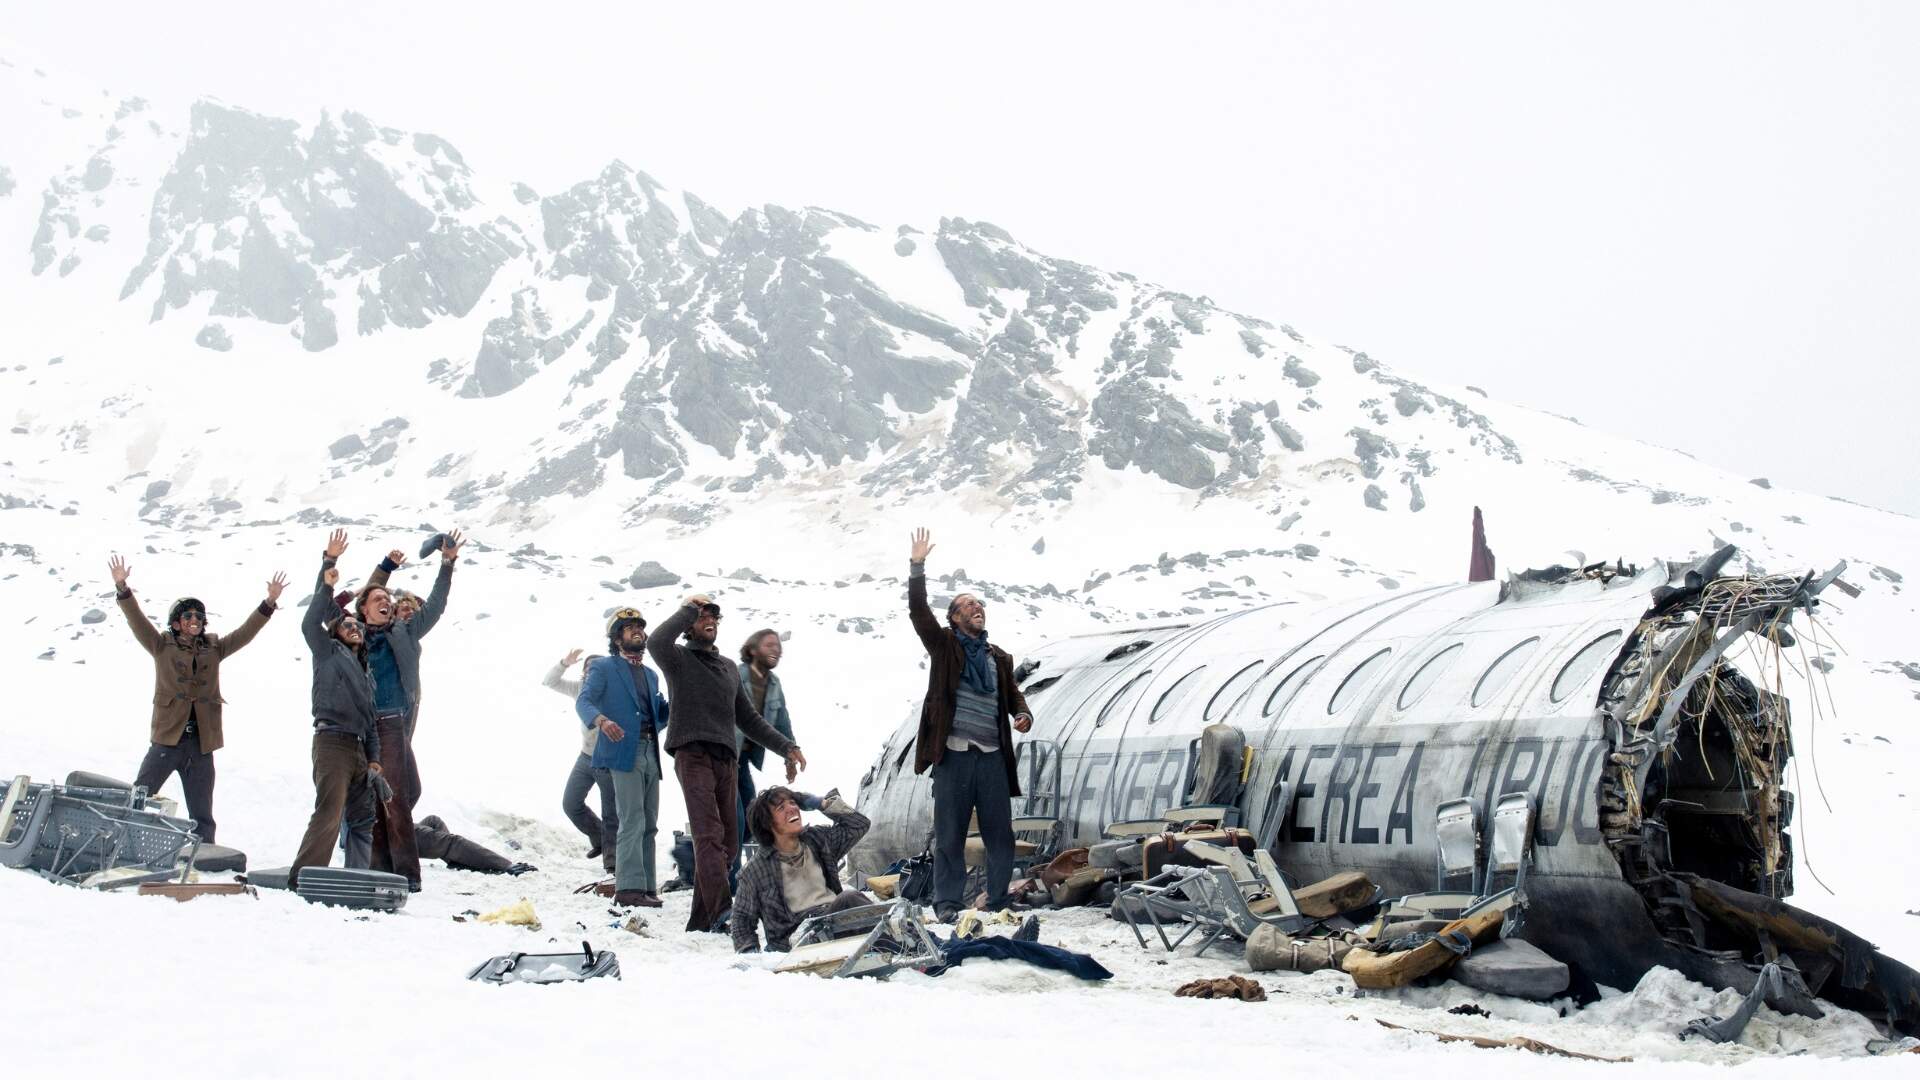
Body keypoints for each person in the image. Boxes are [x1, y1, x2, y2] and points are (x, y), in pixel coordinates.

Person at [649, 594, 807, 932]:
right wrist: (689, 608)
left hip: (726, 759)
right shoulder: (677, 658)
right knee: (709, 836)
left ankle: (702, 920)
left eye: (714, 616)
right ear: (689, 625)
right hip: (692, 754)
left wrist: (786, 747)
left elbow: (748, 718)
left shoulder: (726, 669)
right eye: (702, 616)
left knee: (730, 843)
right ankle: (723, 912)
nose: (709, 620)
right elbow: (656, 640)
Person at [107, 554, 286, 843]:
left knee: (202, 812)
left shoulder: (214, 648)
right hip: (168, 739)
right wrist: (122, 588)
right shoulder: (161, 645)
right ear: (176, 623)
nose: (195, 620)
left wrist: (268, 603)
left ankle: (205, 857)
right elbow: (136, 620)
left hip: (201, 743)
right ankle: (118, 843)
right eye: (188, 615)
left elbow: (245, 633)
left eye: (199, 616)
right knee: (139, 796)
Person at [906, 528, 1033, 922]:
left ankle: (997, 899)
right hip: (955, 756)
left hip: (992, 757)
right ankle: (947, 905)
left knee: (1000, 834)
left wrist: (1022, 713)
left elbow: (1011, 694)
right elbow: (918, 611)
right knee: (951, 836)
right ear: (955, 618)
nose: (977, 608)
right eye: (967, 606)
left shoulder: (998, 657)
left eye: (980, 604)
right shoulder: (945, 646)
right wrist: (917, 566)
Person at [352, 534, 463, 892]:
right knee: (374, 796)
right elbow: (356, 599)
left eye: (389, 600)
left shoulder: (404, 630)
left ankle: (407, 873)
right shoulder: (353, 634)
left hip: (391, 722)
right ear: (364, 609)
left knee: (396, 795)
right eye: (379, 600)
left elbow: (435, 605)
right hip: (361, 726)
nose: (385, 603)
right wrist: (383, 570)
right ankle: (379, 864)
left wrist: (447, 564)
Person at [290, 530, 389, 887]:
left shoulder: (366, 673)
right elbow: (309, 620)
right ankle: (303, 877)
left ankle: (357, 879)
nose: (354, 627)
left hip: (359, 747)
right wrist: (328, 569)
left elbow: (372, 720)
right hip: (331, 741)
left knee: (363, 816)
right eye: (347, 624)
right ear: (335, 632)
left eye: (358, 626)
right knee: (330, 812)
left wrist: (374, 757)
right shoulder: (327, 652)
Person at [576, 609, 671, 908]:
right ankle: (628, 889)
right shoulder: (604, 667)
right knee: (632, 818)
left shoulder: (651, 674)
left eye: (640, 627)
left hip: (649, 751)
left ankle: (647, 886)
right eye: (629, 628)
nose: (637, 632)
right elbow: (584, 701)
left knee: (650, 822)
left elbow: (658, 715)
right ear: (617, 638)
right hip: (621, 752)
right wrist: (602, 721)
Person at [732, 787, 870, 953]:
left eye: (793, 802)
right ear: (767, 823)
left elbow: (859, 825)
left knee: (862, 906)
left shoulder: (817, 840)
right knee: (849, 898)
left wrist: (821, 803)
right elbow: (741, 919)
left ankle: (895, 943)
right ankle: (899, 944)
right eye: (781, 808)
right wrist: (749, 952)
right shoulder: (755, 870)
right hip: (798, 940)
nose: (792, 808)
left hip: (835, 920)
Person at [544, 648, 618, 871]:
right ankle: (599, 837)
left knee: (611, 812)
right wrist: (564, 663)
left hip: (608, 760)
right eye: (587, 668)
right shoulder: (579, 689)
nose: (590, 672)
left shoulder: (613, 692)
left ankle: (613, 863)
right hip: (585, 757)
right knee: (571, 803)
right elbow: (550, 681)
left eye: (595, 669)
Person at [731, 628, 795, 888]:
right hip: (725, 755)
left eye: (778, 646)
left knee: (751, 817)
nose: (776, 650)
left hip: (744, 759)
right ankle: (731, 880)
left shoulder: (774, 683)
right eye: (769, 645)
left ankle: (729, 868)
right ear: (753, 649)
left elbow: (782, 721)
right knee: (733, 817)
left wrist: (790, 752)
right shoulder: (734, 674)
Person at [415, 815, 535, 876]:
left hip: (399, 831)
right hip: (399, 835)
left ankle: (458, 862)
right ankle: (499, 865)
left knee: (433, 821)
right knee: (452, 842)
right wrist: (505, 865)